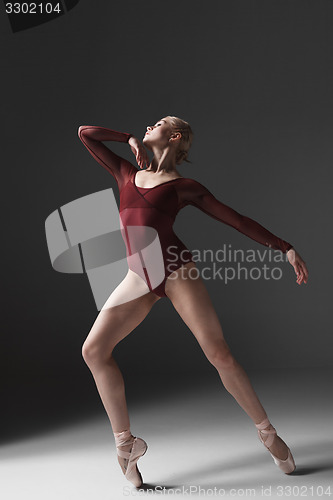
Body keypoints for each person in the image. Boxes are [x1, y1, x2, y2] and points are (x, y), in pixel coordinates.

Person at [78, 116, 308, 488]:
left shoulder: (184, 187)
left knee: (219, 354)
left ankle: (266, 432)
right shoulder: (124, 172)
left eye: (156, 124)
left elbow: (237, 220)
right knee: (93, 350)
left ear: (175, 136)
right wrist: (129, 138)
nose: (148, 125)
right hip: (139, 277)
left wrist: (285, 247)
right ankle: (126, 445)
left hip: (175, 273)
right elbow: (85, 133)